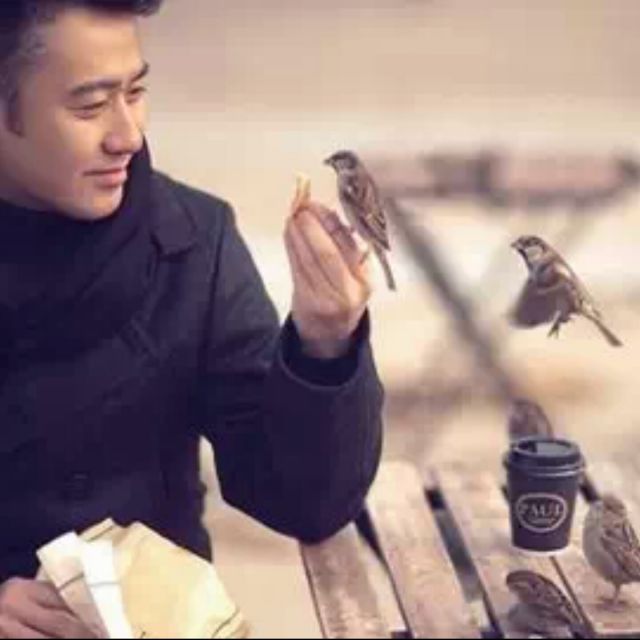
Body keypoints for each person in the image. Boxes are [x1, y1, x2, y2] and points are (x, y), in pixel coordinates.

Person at [0, 1, 384, 637]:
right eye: (90, 106)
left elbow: (305, 503)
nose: (127, 135)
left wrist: (324, 344)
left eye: (135, 93)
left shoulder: (194, 243)